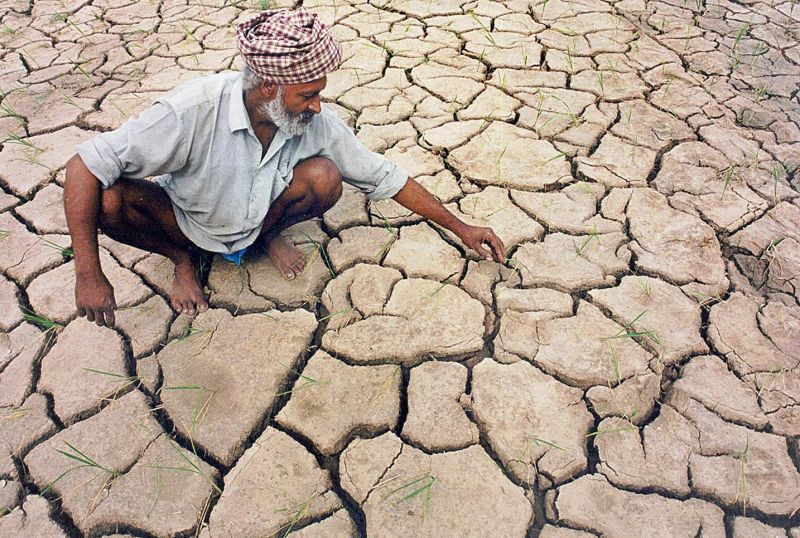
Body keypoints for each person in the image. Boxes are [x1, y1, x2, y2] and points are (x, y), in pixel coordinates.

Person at [64, 7, 505, 327]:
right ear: (269, 86)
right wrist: (88, 273)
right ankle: (182, 260)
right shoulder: (191, 110)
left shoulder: (311, 121)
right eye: (307, 95)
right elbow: (84, 164)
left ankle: (263, 237)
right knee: (109, 198)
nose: (317, 106)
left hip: (258, 218)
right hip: (183, 220)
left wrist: (461, 227)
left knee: (325, 177)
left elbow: (383, 175)